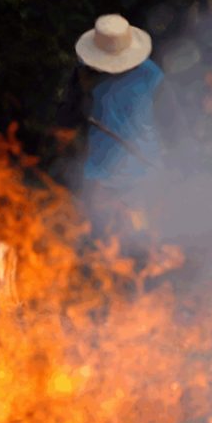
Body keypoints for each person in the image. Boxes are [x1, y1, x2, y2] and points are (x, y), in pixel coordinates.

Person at [55, 14, 187, 248]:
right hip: (100, 178)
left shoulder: (151, 77)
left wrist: (177, 165)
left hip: (143, 177)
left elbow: (174, 126)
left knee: (139, 245)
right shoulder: (86, 74)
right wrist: (82, 95)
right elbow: (66, 119)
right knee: (99, 245)